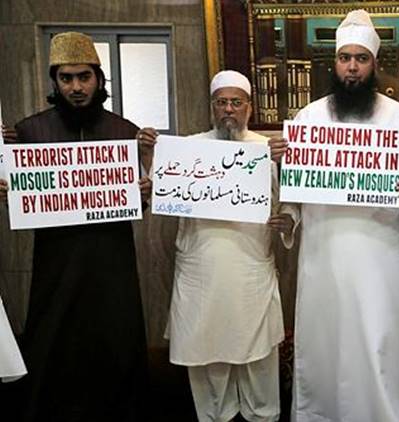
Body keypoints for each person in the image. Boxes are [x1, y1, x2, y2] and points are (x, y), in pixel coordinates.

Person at [269, 9, 399, 421]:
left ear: (375, 64)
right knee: (328, 338)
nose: (352, 67)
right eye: (345, 58)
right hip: (326, 250)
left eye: (361, 58)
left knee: (381, 336)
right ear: (334, 63)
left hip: (381, 251)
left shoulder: (398, 117)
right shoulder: (310, 118)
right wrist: (287, 207)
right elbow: (295, 186)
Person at [0, 31, 150, 421]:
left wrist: (146, 187)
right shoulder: (29, 132)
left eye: (84, 77)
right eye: (66, 78)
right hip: (57, 258)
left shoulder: (123, 131)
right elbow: (22, 194)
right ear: (55, 81)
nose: (76, 87)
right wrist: (9, 185)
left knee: (115, 335)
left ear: (99, 79)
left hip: (111, 257)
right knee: (55, 336)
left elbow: (143, 198)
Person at [138, 70, 295, 422]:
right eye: (221, 102)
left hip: (250, 271)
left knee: (258, 359)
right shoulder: (188, 148)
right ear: (212, 107)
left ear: (249, 108)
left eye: (236, 102)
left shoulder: (267, 151)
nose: (228, 110)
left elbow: (288, 202)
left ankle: (263, 415)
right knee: (209, 360)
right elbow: (159, 191)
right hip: (201, 273)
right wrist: (149, 157)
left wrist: (287, 219)